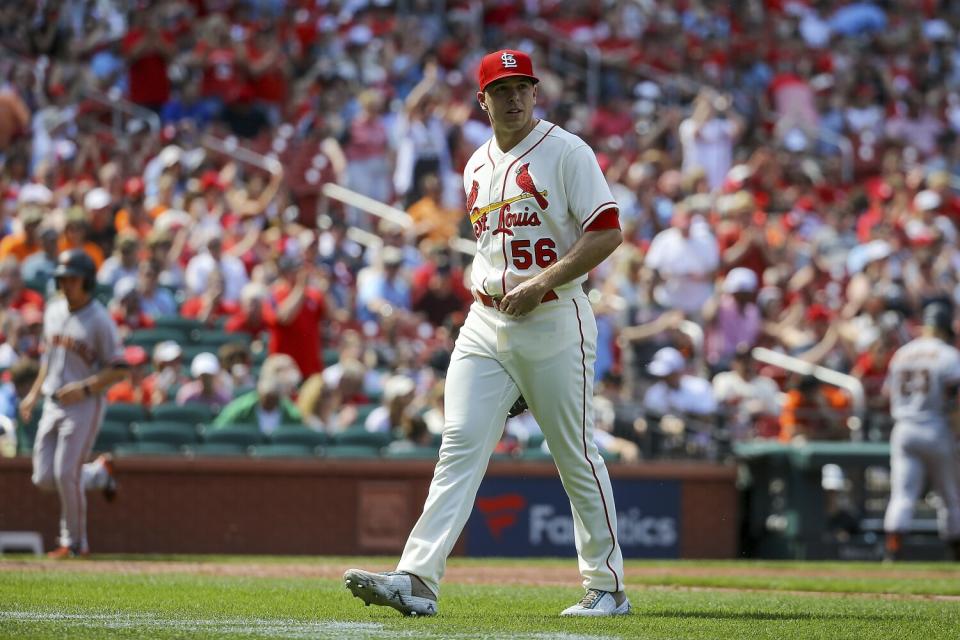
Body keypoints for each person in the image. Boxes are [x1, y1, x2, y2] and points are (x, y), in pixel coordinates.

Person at [345, 50, 629, 617]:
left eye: (523, 86)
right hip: (485, 319)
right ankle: (417, 580)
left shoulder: (567, 151)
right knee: (458, 445)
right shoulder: (475, 163)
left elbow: (606, 234)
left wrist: (537, 283)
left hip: (553, 315)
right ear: (483, 100)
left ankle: (608, 587)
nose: (515, 97)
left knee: (574, 453)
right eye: (502, 89)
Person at [19, 250, 126, 558]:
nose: (66, 284)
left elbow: (119, 369)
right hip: (52, 402)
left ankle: (75, 542)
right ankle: (99, 475)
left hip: (84, 405)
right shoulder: (53, 311)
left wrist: (85, 387)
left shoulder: (100, 320)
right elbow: (47, 360)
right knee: (43, 477)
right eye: (63, 278)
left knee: (66, 474)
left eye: (73, 278)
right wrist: (33, 395)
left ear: (87, 281)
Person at [882, 302, 960, 562]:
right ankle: (954, 554)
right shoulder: (948, 355)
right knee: (950, 495)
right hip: (936, 427)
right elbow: (954, 402)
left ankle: (892, 554)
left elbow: (886, 393)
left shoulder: (902, 353)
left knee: (902, 495)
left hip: (904, 428)